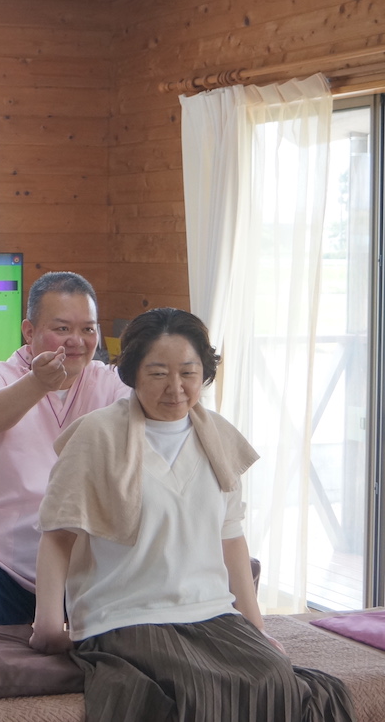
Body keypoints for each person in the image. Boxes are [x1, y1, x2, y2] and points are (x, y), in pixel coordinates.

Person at [30, 308, 354, 721]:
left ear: (204, 373)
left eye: (188, 372)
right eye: (158, 373)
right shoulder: (96, 435)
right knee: (196, 689)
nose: (176, 387)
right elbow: (58, 537)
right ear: (132, 374)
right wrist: (48, 627)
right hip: (124, 616)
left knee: (279, 679)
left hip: (212, 613)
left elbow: (231, 539)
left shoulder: (219, 437)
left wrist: (256, 628)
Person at [0, 271, 129, 626]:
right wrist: (37, 383)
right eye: (62, 329)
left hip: (89, 564)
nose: (77, 341)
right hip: (0, 562)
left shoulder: (111, 381)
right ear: (29, 331)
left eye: (88, 329)